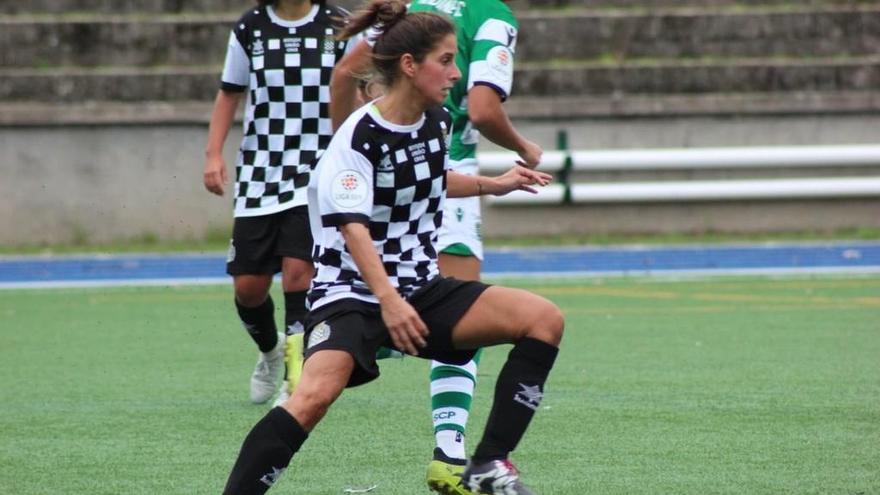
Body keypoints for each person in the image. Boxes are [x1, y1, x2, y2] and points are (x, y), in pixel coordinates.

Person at [221, 2, 564, 494]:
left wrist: (495, 184)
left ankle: (488, 464)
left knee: (543, 319)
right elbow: (352, 228)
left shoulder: (435, 121)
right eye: (445, 60)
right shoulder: (356, 137)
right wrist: (388, 301)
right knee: (312, 397)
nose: (456, 72)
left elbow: (427, 178)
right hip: (352, 298)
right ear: (410, 65)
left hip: (420, 290)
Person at [328, 0, 541, 491]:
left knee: (371, 304)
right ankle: (450, 454)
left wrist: (347, 152)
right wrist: (522, 147)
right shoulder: (489, 15)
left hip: (383, 180)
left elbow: (344, 75)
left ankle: (337, 344)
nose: (451, 71)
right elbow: (485, 110)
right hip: (447, 175)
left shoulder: (415, 9)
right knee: (461, 322)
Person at [203, 0, 359, 404]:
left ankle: (295, 380)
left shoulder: (339, 23)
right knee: (249, 288)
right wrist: (213, 155)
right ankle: (270, 352)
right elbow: (229, 93)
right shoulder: (250, 27)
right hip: (261, 169)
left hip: (318, 169)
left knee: (298, 274)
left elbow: (362, 88)